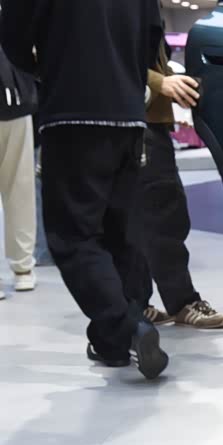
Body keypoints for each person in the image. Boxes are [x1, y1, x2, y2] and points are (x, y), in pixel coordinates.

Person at [1, 0, 169, 379]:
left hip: (71, 110)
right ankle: (114, 341)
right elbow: (153, 33)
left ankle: (127, 327)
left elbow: (13, 33)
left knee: (73, 234)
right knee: (120, 231)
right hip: (128, 112)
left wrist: (45, 68)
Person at [132, 37, 223, 329]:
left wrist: (168, 84)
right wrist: (158, 83)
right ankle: (180, 302)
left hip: (140, 119)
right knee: (162, 214)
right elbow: (107, 53)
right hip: (137, 120)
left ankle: (138, 303)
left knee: (140, 217)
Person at [0, 44, 36, 300]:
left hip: (16, 99)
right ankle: (23, 268)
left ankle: (23, 267)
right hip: (15, 96)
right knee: (19, 187)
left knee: (20, 187)